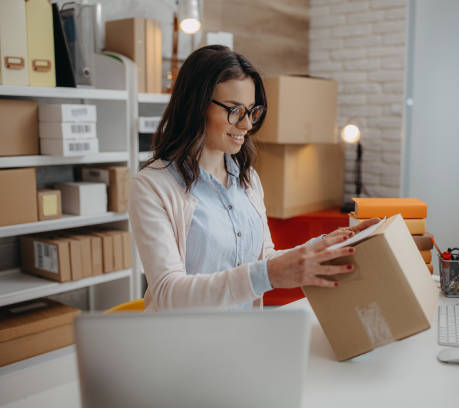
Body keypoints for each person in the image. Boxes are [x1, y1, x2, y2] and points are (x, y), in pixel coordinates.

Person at [129, 45, 379, 311]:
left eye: (251, 111)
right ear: (196, 106)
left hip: (244, 336)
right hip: (181, 346)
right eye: (235, 110)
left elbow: (264, 259)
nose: (247, 125)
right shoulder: (151, 186)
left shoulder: (248, 179)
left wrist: (323, 246)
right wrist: (268, 274)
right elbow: (169, 293)